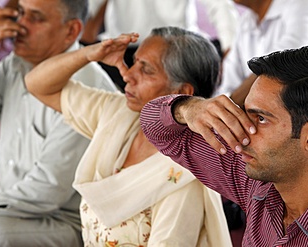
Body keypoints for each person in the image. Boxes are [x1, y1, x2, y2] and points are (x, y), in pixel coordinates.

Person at [25, 27, 232, 246]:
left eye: (147, 70)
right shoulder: (119, 114)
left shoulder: (183, 178)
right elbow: (37, 84)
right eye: (134, 62)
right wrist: (88, 54)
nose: (128, 75)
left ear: (183, 93)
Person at [140, 44, 308, 246]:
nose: (243, 133)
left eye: (261, 119)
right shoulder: (256, 183)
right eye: (245, 113)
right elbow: (155, 126)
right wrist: (190, 108)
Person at [0, 0, 117, 246]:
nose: (20, 25)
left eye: (35, 18)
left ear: (70, 31)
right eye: (20, 12)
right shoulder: (17, 65)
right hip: (13, 197)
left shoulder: (86, 90)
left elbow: (48, 190)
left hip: (66, 218)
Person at [82, 0, 238, 91]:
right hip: (126, 49)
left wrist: (228, 52)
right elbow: (88, 17)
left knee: (210, 55)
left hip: (179, 48)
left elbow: (220, 6)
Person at [213, 0, 308, 106]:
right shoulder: (246, 21)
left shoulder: (306, 6)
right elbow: (228, 86)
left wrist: (224, 111)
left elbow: (279, 72)